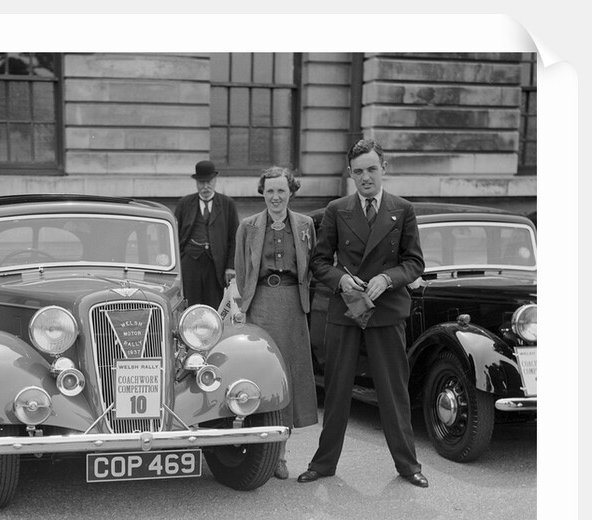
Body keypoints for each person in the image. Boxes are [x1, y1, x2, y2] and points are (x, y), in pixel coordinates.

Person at [298, 139, 428, 487]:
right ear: (350, 175)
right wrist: (341, 280)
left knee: (393, 391)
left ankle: (408, 465)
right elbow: (320, 261)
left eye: (371, 169)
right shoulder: (337, 209)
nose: (365, 177)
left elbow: (414, 262)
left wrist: (387, 278)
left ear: (384, 168)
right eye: (358, 172)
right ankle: (323, 464)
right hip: (347, 311)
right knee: (337, 392)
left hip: (386, 312)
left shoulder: (403, 209)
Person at [234, 166, 319, 479]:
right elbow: (242, 270)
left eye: (281, 190)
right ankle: (257, 453)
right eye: (270, 191)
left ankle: (280, 456)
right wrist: (245, 306)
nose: (275, 197)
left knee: (288, 379)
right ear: (263, 193)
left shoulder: (306, 225)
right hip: (261, 306)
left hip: (293, 307)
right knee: (258, 376)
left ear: (291, 192)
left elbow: (312, 268)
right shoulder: (249, 226)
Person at [175, 160, 240, 309]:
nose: (205, 186)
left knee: (214, 306)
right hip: (189, 264)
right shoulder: (184, 204)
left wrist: (231, 267)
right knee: (190, 305)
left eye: (209, 182)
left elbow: (234, 238)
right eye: (201, 182)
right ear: (196, 183)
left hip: (216, 265)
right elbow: (174, 236)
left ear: (215, 180)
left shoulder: (227, 204)